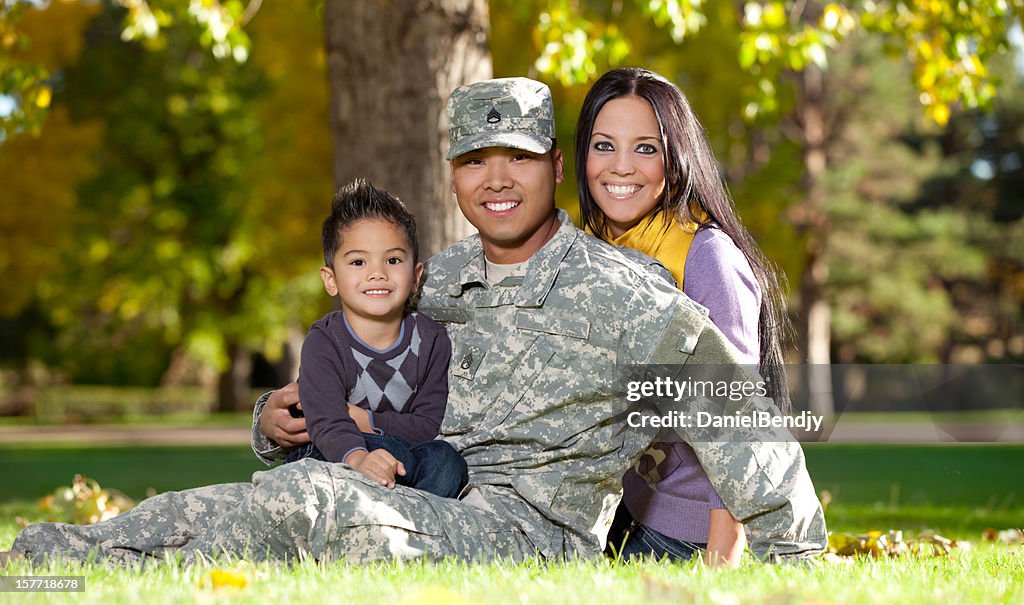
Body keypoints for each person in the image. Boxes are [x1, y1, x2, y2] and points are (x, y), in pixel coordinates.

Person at [2, 77, 826, 567]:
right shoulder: (428, 281)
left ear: (555, 169)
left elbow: (743, 427)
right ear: (454, 172)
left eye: (518, 158)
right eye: (474, 160)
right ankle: (52, 556)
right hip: (414, 490)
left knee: (327, 505)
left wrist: (795, 557)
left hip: (527, 534)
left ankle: (53, 561)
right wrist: (273, 420)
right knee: (299, 486)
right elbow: (342, 395)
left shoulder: (632, 295)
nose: (495, 178)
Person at [576, 67, 794, 567]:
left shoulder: (705, 256)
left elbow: (739, 420)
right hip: (623, 511)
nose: (622, 167)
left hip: (689, 531)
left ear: (677, 160)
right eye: (604, 146)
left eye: (646, 149)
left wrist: (722, 559)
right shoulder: (598, 252)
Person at [283, 178, 466, 499]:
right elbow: (325, 421)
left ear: (416, 277)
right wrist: (359, 458)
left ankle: (396, 512)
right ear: (331, 279)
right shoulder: (324, 341)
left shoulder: (431, 339)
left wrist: (364, 419)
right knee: (315, 458)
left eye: (393, 260)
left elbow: (427, 424)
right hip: (333, 449)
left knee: (445, 461)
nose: (377, 272)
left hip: (401, 453)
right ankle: (375, 503)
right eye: (358, 262)